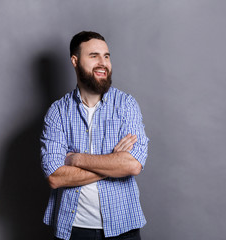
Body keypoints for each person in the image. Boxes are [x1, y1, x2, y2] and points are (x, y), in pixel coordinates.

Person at [40, 31, 149, 240]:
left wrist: (76, 159)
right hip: (72, 229)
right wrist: (113, 164)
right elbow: (55, 177)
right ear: (75, 61)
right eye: (94, 56)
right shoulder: (58, 112)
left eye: (106, 56)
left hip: (123, 227)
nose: (103, 63)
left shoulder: (126, 105)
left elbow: (133, 165)